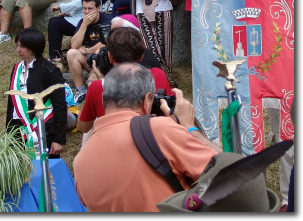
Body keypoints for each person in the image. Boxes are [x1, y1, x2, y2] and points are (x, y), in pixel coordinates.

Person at [73, 63, 221, 212]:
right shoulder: (160, 130)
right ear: (148, 99)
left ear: (104, 98)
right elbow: (228, 170)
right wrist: (190, 128)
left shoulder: (80, 162)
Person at [77, 25, 173, 146]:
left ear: (110, 57)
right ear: (142, 55)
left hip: (115, 146)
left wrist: (101, 82)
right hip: (153, 144)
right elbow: (169, 111)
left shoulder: (98, 86)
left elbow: (83, 127)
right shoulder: (158, 74)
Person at [6, 27, 67, 158]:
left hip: (43, 127)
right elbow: (12, 102)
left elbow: (60, 106)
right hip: (18, 127)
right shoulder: (16, 69)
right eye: (17, 46)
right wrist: (9, 131)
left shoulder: (50, 70)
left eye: (22, 46)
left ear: (33, 46)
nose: (18, 50)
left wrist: (59, 139)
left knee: (45, 171)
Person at [131, 0, 175, 86]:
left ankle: (161, 79)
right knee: (151, 48)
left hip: (163, 11)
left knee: (164, 48)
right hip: (143, 13)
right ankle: (167, 79)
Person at [48, 0, 101, 64]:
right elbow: (77, 7)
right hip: (80, 18)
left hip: (89, 20)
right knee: (55, 22)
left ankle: (55, 58)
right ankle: (55, 56)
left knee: (54, 23)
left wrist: (61, 7)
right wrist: (68, 13)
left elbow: (78, 3)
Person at [66, 0, 112, 104]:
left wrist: (86, 50)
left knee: (99, 51)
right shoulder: (83, 22)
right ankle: (81, 91)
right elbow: (74, 45)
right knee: (72, 53)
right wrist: (84, 24)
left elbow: (105, 44)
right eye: (84, 8)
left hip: (107, 62)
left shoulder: (108, 21)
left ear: (98, 8)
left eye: (90, 9)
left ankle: (95, 78)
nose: (86, 12)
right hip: (90, 60)